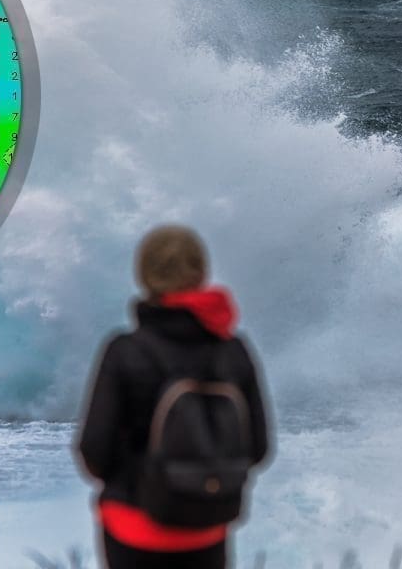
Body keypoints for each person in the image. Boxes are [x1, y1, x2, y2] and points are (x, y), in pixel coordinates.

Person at [77, 224, 272, 569]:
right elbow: (258, 449)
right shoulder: (233, 351)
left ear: (145, 276)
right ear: (201, 272)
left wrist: (144, 483)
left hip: (133, 529)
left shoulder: (125, 351)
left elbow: (95, 452)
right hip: (207, 527)